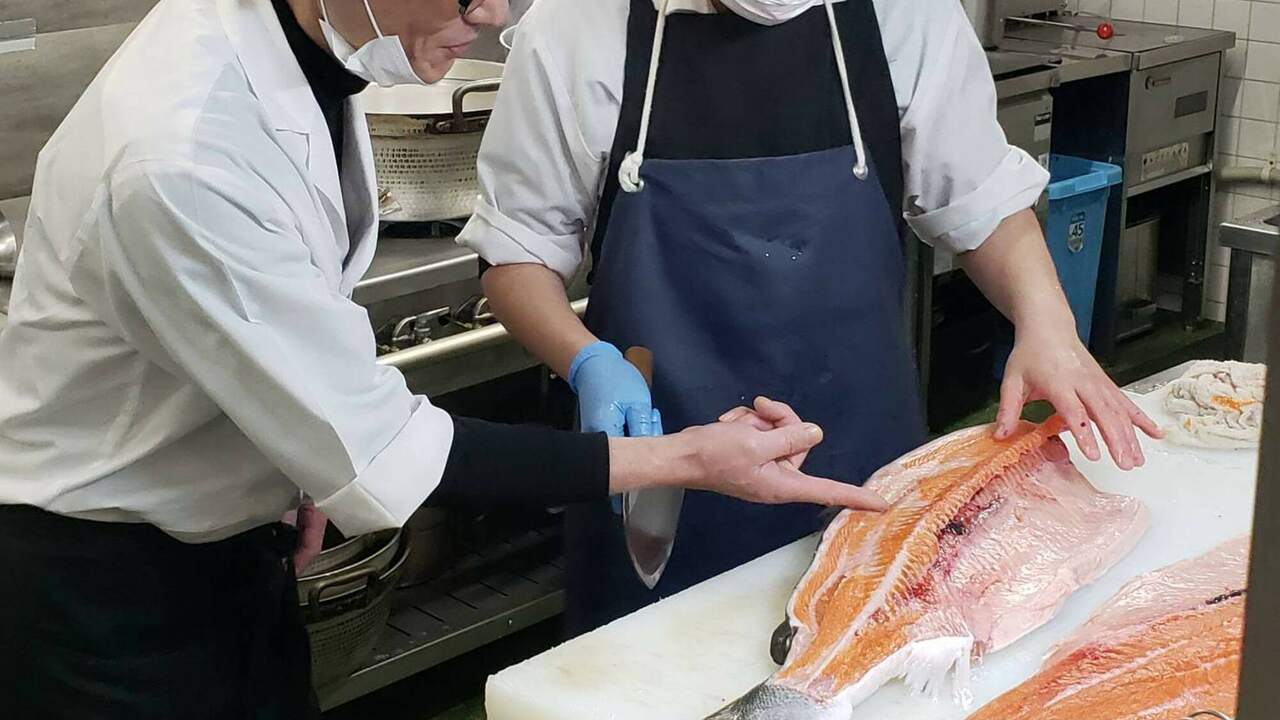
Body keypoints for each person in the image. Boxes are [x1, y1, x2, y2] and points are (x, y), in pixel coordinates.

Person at [0, 0, 889, 717]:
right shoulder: (178, 155)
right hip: (100, 589)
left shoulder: (292, 45)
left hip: (235, 544)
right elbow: (396, 453)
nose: (493, 12)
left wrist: (287, 469)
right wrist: (690, 459)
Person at [459, 0, 1165, 633]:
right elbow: (518, 253)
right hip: (660, 471)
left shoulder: (902, 14)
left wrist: (1048, 324)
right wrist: (588, 360)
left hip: (866, 470)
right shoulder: (577, 25)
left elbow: (979, 201)